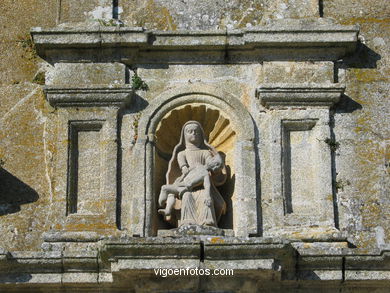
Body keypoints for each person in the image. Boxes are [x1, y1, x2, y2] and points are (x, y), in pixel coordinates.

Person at [159, 120, 227, 227]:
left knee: (206, 195)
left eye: (196, 131)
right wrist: (190, 172)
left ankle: (207, 221)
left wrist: (212, 166)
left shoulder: (205, 152)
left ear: (201, 135)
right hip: (189, 179)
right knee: (186, 195)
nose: (193, 133)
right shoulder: (182, 154)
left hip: (203, 183)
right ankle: (187, 221)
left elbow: (211, 164)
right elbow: (184, 169)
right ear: (184, 135)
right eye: (189, 131)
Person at [157, 155, 223, 218]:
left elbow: (207, 185)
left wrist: (208, 196)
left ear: (215, 165)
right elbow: (186, 173)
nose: (211, 160)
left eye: (213, 160)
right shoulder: (197, 165)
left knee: (164, 188)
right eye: (212, 158)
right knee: (170, 193)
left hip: (185, 187)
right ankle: (167, 210)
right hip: (182, 183)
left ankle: (159, 206)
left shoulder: (205, 174)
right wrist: (180, 179)